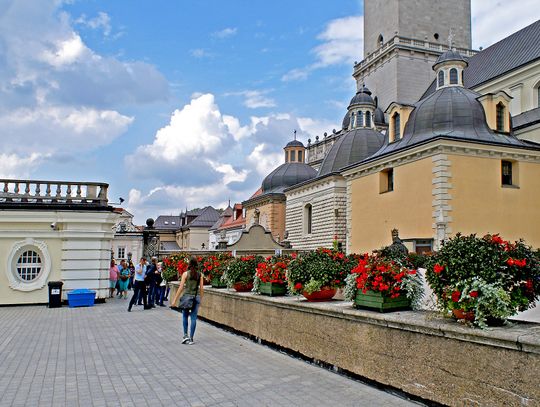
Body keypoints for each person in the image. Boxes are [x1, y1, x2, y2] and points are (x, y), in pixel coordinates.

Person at [171, 257, 204, 345]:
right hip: (196, 297)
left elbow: (181, 287)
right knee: (193, 318)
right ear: (197, 265)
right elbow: (201, 289)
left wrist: (174, 299)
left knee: (185, 316)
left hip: (187, 297)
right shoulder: (200, 275)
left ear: (189, 265)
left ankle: (185, 336)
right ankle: (191, 338)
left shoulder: (185, 274)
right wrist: (201, 299)